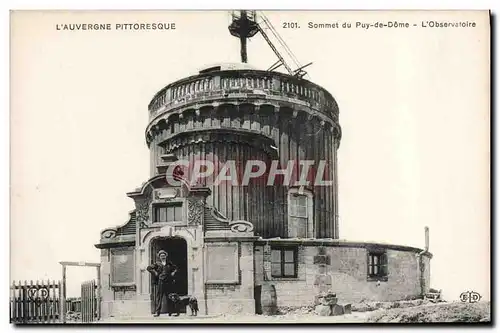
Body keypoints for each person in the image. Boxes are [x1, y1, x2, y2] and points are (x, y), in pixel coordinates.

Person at [147, 250, 178, 317]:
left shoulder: (169, 263)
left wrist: (173, 272)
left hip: (168, 282)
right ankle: (157, 312)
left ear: (166, 256)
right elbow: (149, 268)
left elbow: (175, 268)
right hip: (160, 282)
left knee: (169, 297)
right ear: (159, 257)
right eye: (161, 256)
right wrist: (155, 272)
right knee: (159, 297)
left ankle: (170, 312)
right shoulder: (157, 264)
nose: (163, 257)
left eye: (164, 256)